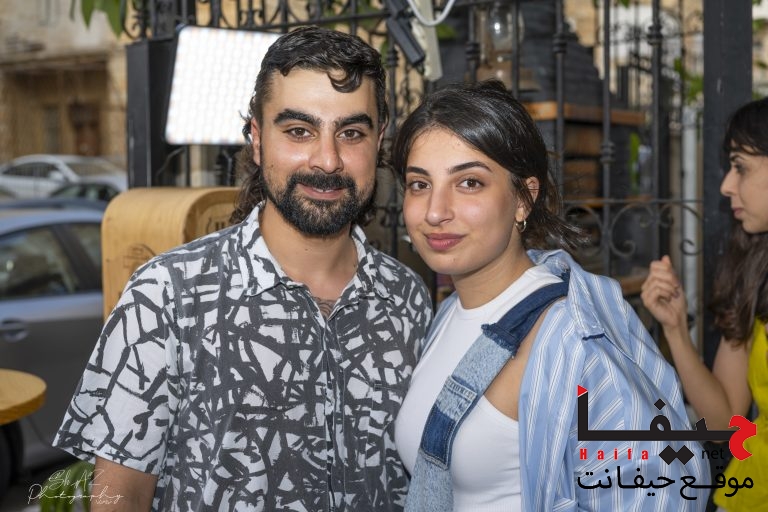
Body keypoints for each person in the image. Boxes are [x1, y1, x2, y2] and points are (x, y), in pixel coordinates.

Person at [54, 26, 431, 512]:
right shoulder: (167, 296)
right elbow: (118, 498)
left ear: (378, 141)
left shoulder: (407, 298)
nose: (328, 159)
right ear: (257, 139)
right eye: (299, 131)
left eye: (351, 133)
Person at [391, 80, 709, 511]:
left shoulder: (571, 339)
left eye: (469, 182)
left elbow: (659, 494)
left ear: (524, 198)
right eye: (419, 184)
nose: (434, 211)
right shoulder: (449, 312)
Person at [641, 97, 768, 512]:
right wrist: (676, 329)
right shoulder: (753, 273)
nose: (726, 185)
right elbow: (723, 423)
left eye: (740, 167)